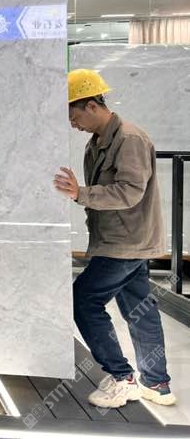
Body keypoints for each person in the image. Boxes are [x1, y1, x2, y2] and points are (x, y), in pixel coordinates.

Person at [53, 69, 175, 409]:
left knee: (83, 301)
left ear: (91, 105)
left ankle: (122, 378)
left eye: (73, 115)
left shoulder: (129, 139)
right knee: (140, 310)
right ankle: (157, 384)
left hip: (126, 243)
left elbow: (130, 192)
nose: (72, 124)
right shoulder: (98, 143)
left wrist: (80, 193)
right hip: (120, 239)